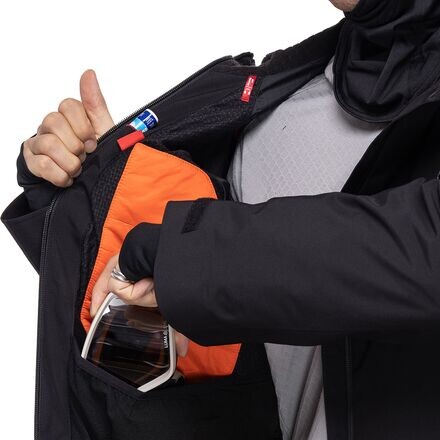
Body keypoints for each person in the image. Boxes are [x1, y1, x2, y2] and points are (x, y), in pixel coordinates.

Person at [13, 0, 440, 439]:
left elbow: (419, 246)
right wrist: (98, 182)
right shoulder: (271, 95)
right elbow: (172, 306)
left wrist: (184, 255)